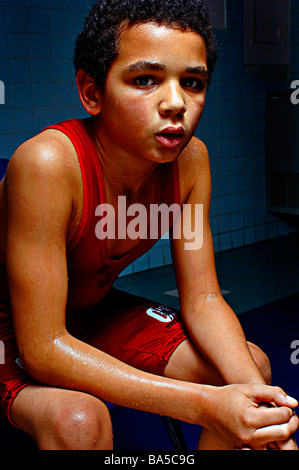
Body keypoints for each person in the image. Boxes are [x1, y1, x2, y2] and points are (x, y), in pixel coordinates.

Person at [0, 0, 298, 451]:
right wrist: (203, 404)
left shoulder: (191, 160)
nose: (176, 103)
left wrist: (262, 412)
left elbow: (203, 297)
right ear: (91, 91)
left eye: (193, 83)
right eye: (145, 80)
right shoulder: (46, 165)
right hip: (15, 331)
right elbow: (42, 348)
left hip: (91, 313)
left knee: (250, 368)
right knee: (80, 422)